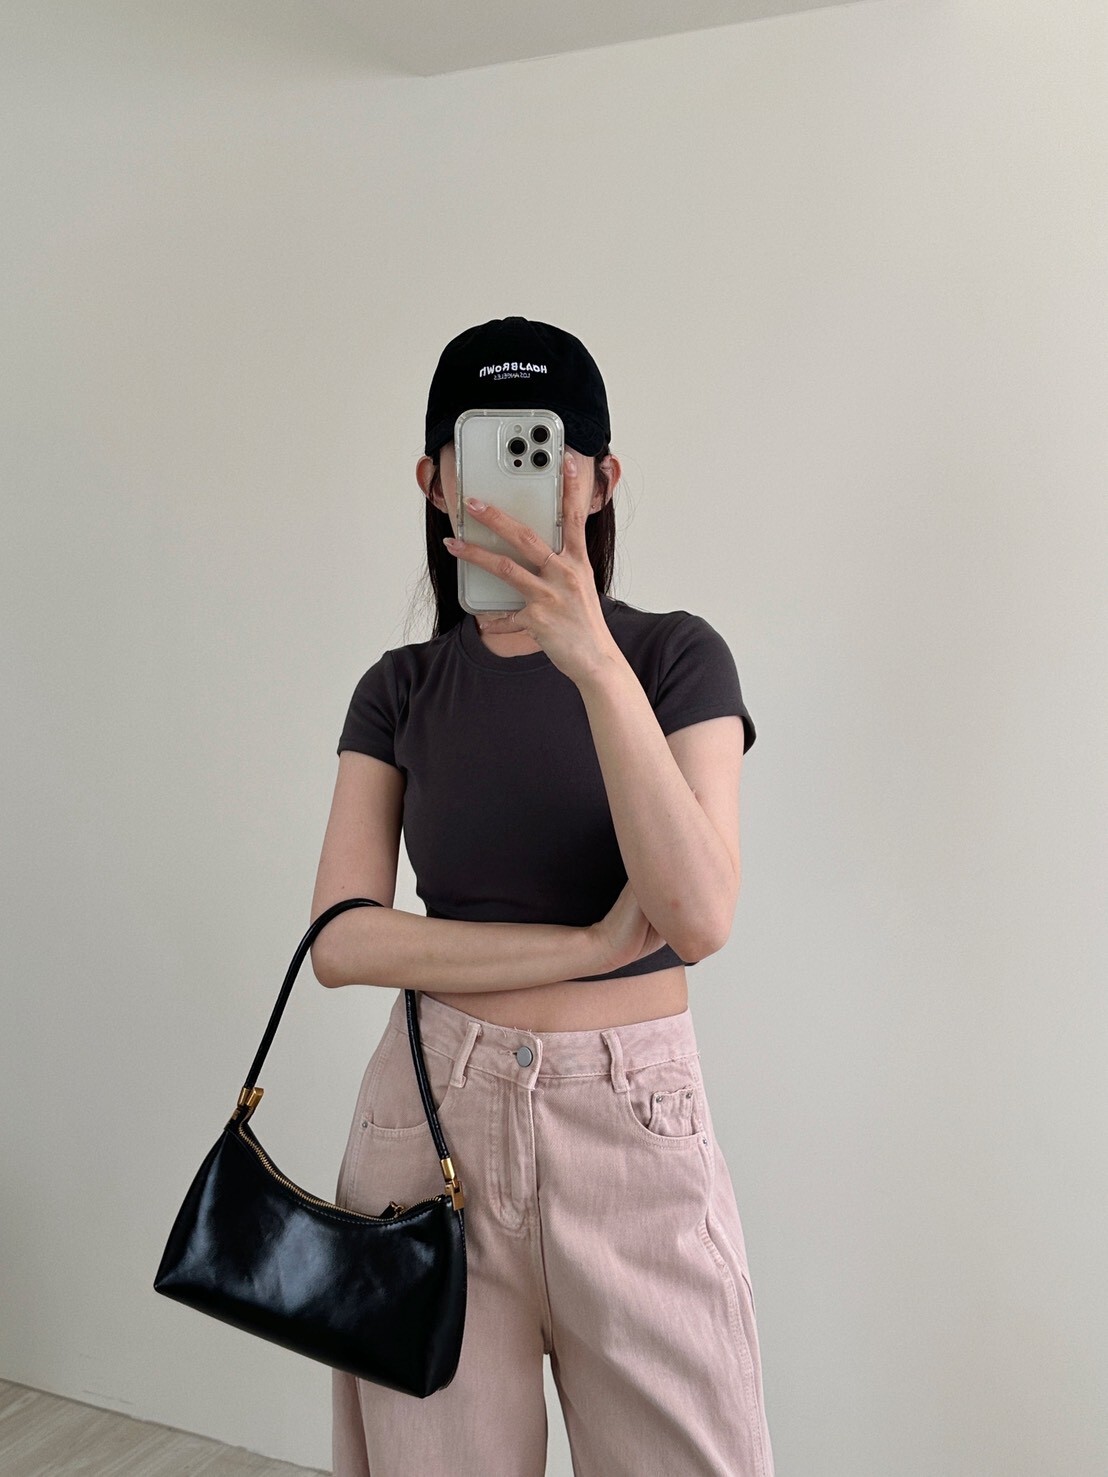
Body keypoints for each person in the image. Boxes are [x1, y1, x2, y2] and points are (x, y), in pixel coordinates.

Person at [311, 317, 775, 1476]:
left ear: (602, 479)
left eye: (541, 452)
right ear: (432, 480)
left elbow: (698, 916)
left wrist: (592, 659)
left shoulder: (674, 659)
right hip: (426, 1122)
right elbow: (341, 940)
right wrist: (585, 943)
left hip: (631, 1124)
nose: (506, 488)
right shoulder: (399, 688)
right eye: (478, 454)